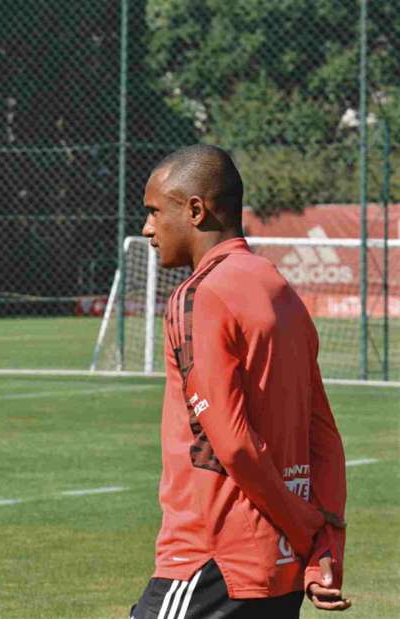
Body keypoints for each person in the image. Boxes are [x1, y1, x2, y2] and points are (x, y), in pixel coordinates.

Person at [129, 145, 348, 618]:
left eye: (152, 212)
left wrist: (308, 528)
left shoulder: (200, 295)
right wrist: (323, 545)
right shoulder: (282, 292)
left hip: (210, 561)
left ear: (194, 210)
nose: (147, 228)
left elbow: (232, 443)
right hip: (281, 569)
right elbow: (325, 438)